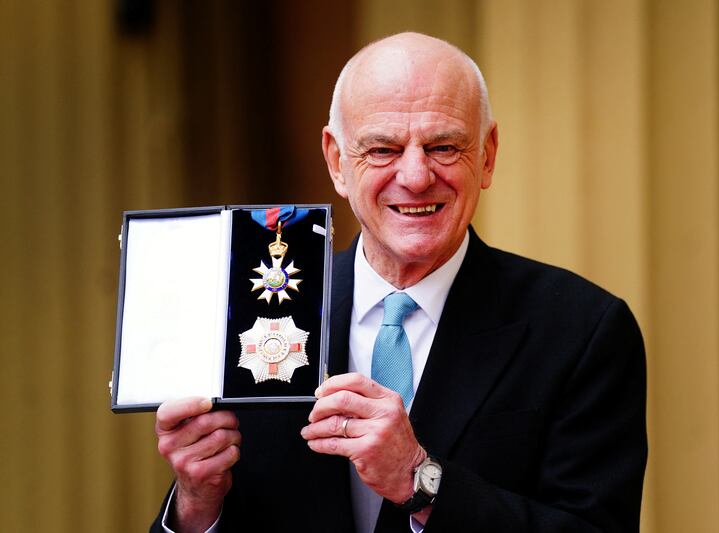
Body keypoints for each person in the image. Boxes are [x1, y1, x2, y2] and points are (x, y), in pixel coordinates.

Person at [152, 32, 647, 533]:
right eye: (384, 149)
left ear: (489, 154)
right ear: (337, 161)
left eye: (444, 146)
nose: (415, 176)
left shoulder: (581, 331)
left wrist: (421, 481)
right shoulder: (249, 312)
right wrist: (197, 505)